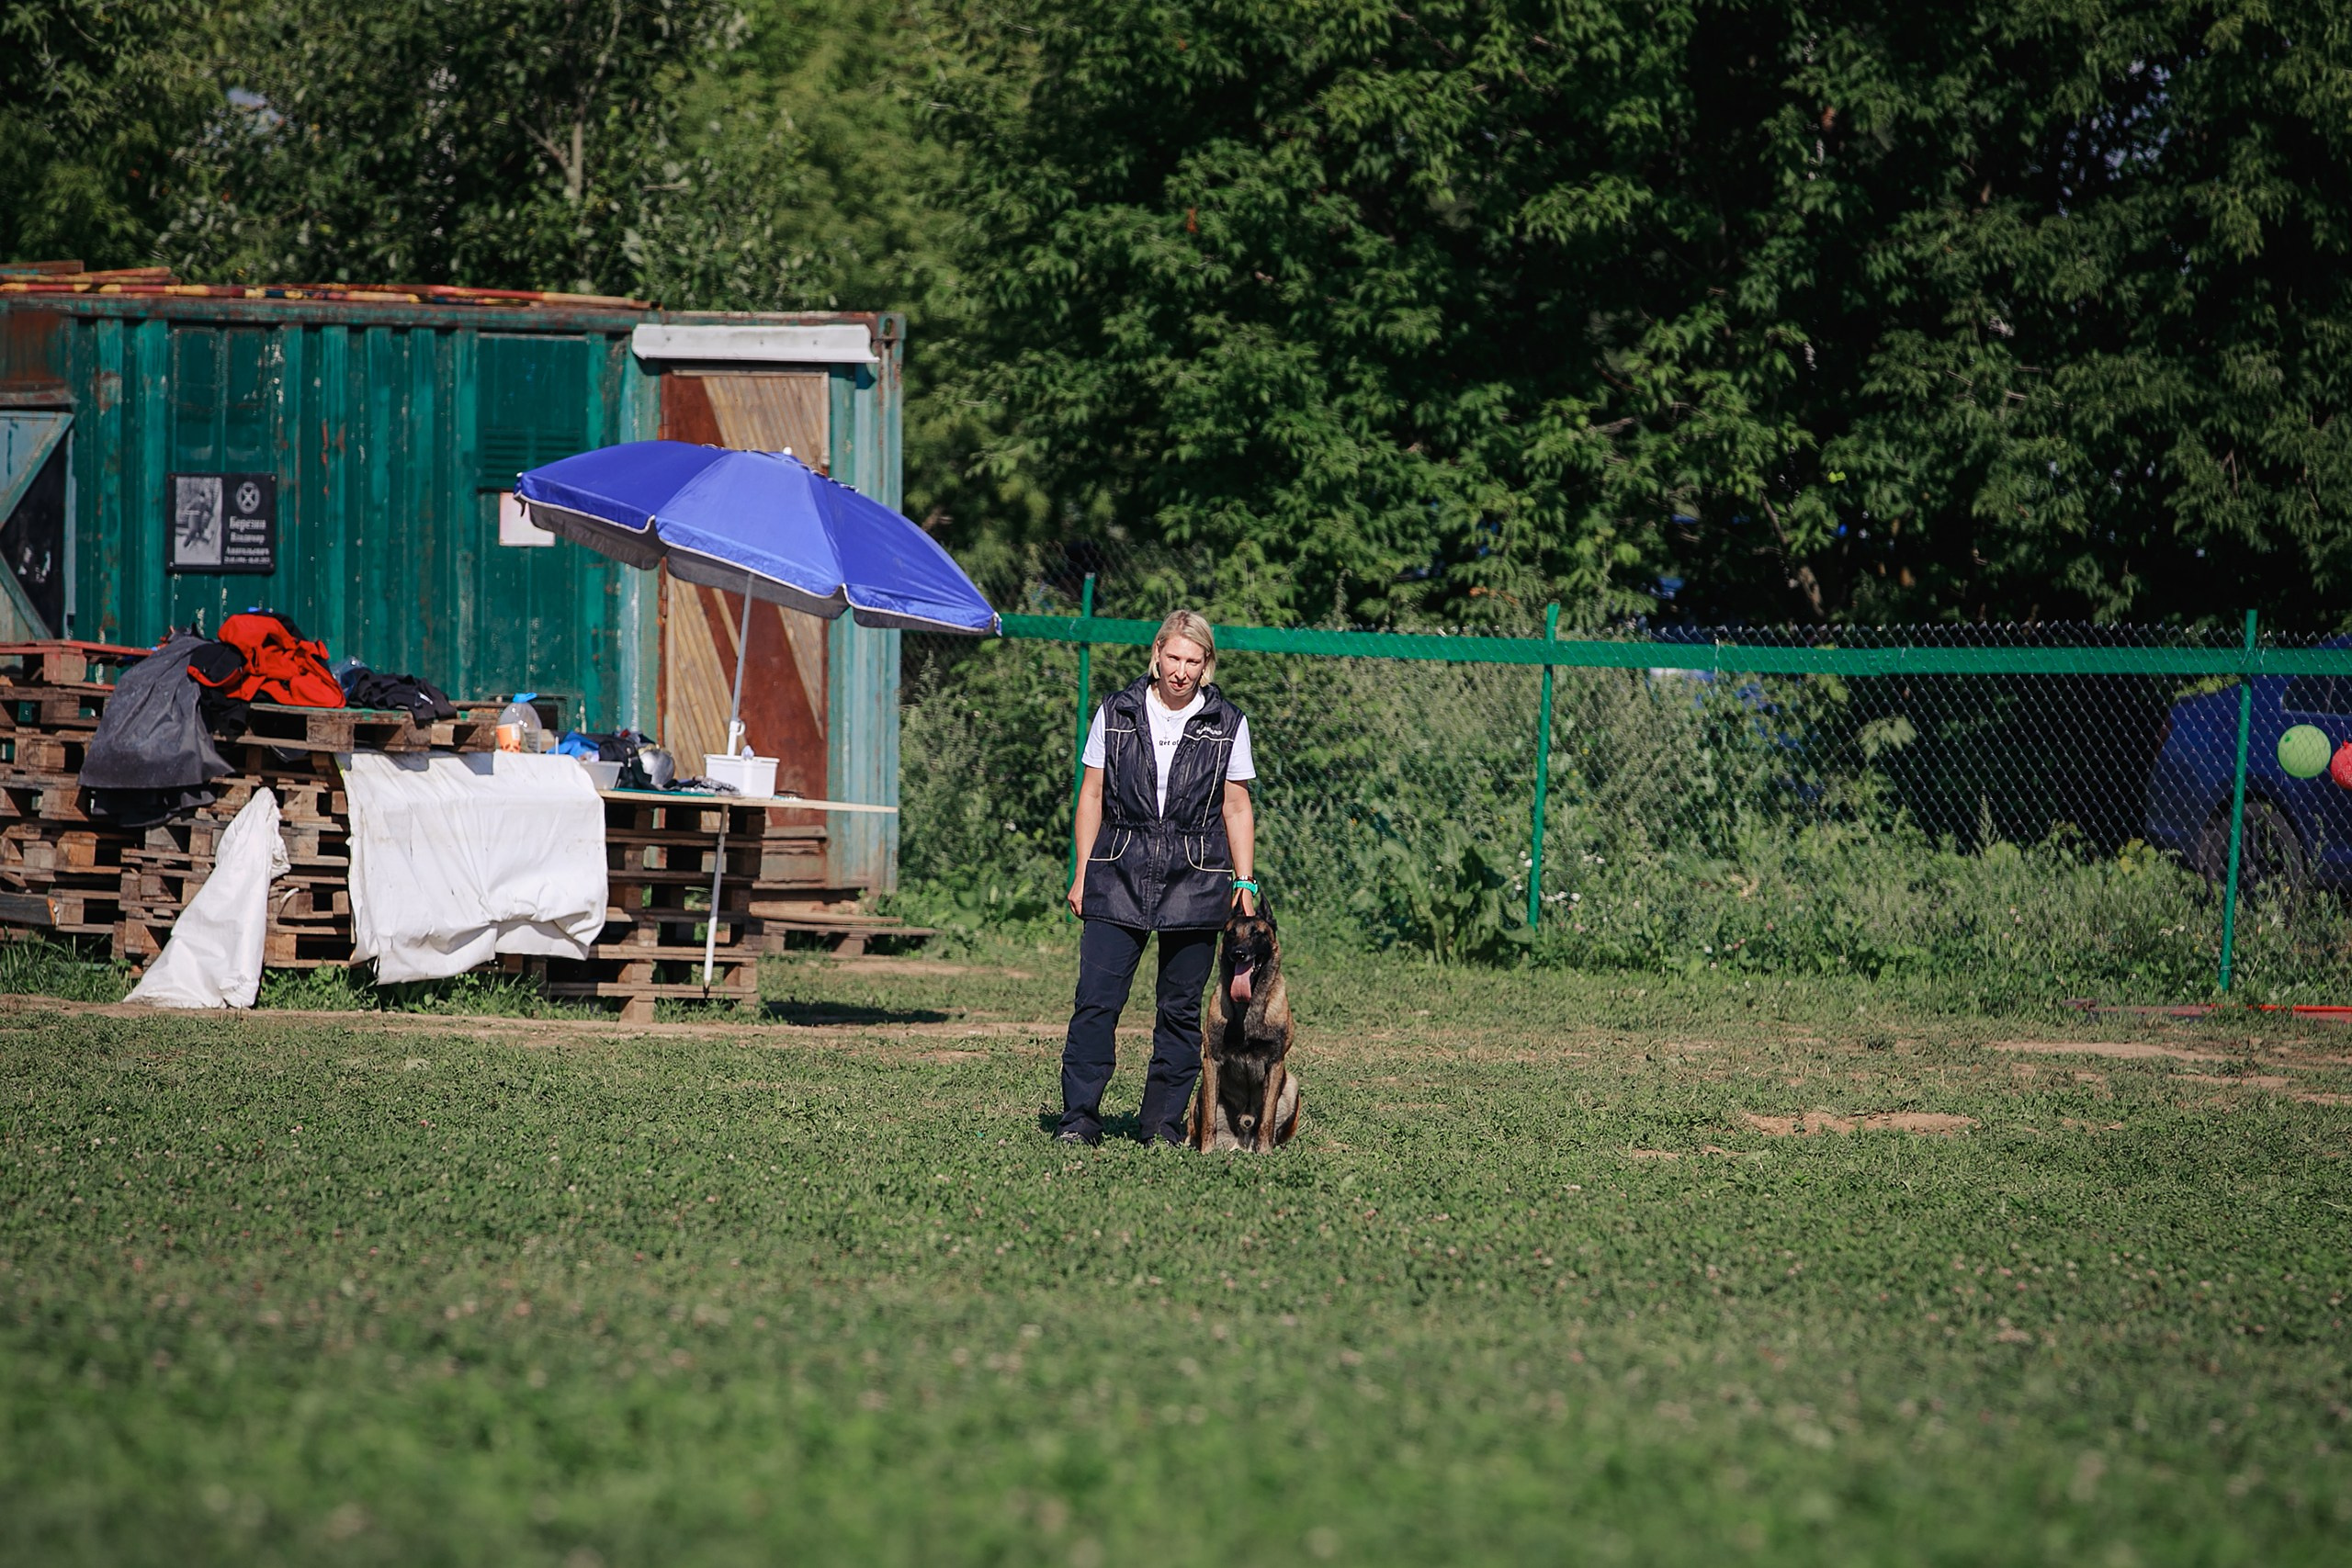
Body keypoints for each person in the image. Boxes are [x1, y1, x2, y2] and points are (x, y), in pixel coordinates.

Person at [1058, 609, 1258, 1145]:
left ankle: (1162, 1127)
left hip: (1197, 880)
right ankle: (1079, 1119)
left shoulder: (1228, 722)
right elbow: (1092, 795)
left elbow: (1236, 806)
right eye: (1173, 657)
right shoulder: (1116, 711)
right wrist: (1082, 873)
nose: (1181, 671)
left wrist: (1244, 882)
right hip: (1117, 871)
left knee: (1179, 1011)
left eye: (1193, 661)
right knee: (1096, 1002)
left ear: (1206, 663)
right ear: (1157, 653)